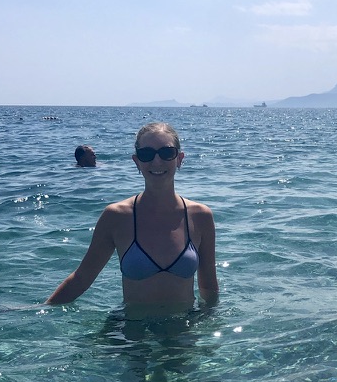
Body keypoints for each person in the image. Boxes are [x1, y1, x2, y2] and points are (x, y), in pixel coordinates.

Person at [48, 122, 218, 313]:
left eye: (166, 152)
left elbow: (209, 287)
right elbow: (81, 279)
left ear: (179, 159)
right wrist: (40, 310)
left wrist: (210, 325)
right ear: (137, 161)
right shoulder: (116, 216)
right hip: (129, 328)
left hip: (184, 327)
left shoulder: (200, 216)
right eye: (147, 154)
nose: (157, 161)